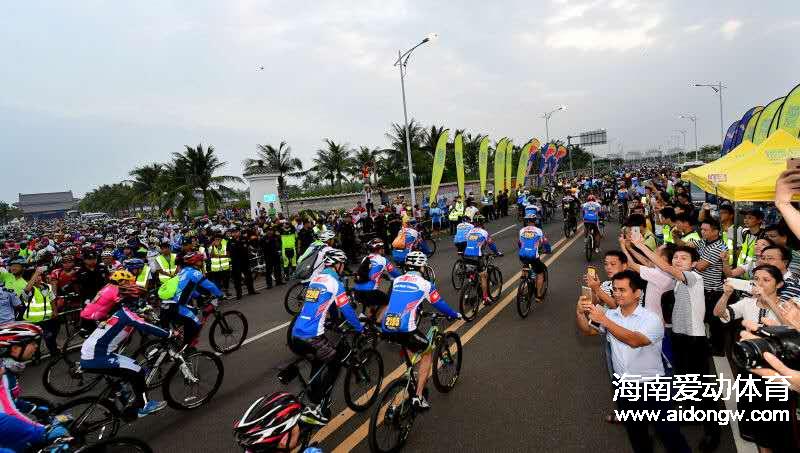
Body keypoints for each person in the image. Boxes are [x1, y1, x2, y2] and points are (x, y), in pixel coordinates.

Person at [576, 270, 689, 453]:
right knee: (636, 434)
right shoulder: (612, 316)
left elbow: (635, 341)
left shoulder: (651, 319)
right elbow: (588, 331)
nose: (617, 294)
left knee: (669, 434)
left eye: (622, 290)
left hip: (652, 387)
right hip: (624, 388)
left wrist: (604, 319)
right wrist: (580, 314)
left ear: (637, 293)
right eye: (614, 290)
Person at [630, 238, 721, 451]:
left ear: (693, 263)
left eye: (684, 258)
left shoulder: (694, 278)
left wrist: (640, 245)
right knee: (684, 381)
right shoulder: (679, 281)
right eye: (676, 258)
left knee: (704, 389)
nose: (678, 261)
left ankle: (713, 432)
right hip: (679, 337)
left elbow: (663, 266)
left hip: (695, 340)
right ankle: (690, 413)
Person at [714, 265, 795, 451]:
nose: (759, 283)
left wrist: (767, 299)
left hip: (776, 369)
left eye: (766, 280)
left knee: (776, 416)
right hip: (750, 366)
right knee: (751, 407)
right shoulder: (747, 303)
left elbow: (789, 326)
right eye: (756, 279)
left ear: (779, 284)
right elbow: (719, 314)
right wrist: (725, 295)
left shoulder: (786, 306)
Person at [80, 276, 173, 418]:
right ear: (134, 300)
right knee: (139, 371)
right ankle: (144, 406)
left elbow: (138, 321)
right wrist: (168, 333)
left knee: (132, 365)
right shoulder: (128, 315)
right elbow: (145, 327)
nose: (145, 303)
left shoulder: (122, 312)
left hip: (95, 352)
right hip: (96, 355)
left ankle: (116, 397)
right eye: (142, 300)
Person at [291, 249, 363, 425]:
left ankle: (314, 395)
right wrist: (359, 327)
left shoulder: (315, 279)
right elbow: (346, 310)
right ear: (337, 265)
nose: (343, 267)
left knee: (318, 361)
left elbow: (319, 304)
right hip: (312, 337)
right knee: (335, 364)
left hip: (296, 334)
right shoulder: (334, 283)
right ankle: (320, 409)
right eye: (342, 265)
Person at [382, 251, 460, 410]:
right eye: (424, 265)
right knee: (427, 353)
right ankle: (418, 396)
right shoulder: (425, 284)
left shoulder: (396, 280)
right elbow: (440, 304)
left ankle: (411, 374)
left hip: (387, 326)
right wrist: (454, 314)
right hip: (405, 328)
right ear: (420, 266)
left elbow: (397, 301)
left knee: (409, 345)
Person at [0, 323, 68, 452]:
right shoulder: (4, 374)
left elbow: (10, 401)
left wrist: (34, 409)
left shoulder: (9, 368)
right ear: (15, 348)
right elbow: (9, 412)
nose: (36, 346)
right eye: (32, 343)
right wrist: (43, 431)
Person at [161, 252, 225, 347]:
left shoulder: (183, 271)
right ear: (195, 262)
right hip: (176, 306)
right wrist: (220, 295)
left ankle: (183, 342)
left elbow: (187, 289)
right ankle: (186, 349)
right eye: (200, 261)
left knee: (193, 312)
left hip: (167, 304)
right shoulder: (194, 273)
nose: (202, 263)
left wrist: (199, 296)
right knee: (196, 324)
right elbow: (210, 286)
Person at [353, 239, 401, 322]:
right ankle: (378, 323)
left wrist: (382, 275)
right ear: (380, 249)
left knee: (373, 302)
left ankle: (367, 321)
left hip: (357, 290)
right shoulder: (383, 260)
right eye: (383, 248)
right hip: (370, 292)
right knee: (388, 302)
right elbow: (395, 273)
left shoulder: (365, 258)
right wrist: (403, 277)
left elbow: (368, 273)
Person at [462, 215, 502, 305]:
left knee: (472, 273)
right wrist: (496, 252)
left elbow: (468, 243)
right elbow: (491, 244)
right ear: (482, 223)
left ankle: (469, 288)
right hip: (477, 256)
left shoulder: (469, 231)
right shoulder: (484, 232)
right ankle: (485, 298)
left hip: (466, 255)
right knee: (483, 276)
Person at [518, 214, 547, 302]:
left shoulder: (522, 230)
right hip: (533, 256)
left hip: (522, 255)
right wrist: (543, 249)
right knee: (540, 273)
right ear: (535, 221)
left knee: (526, 266)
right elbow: (542, 242)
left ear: (527, 221)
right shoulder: (538, 230)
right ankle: (538, 295)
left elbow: (519, 243)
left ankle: (523, 284)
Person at [228, 227, 258, 300]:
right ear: (232, 234)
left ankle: (251, 291)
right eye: (234, 232)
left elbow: (250, 246)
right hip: (236, 263)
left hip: (245, 261)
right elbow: (228, 252)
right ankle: (239, 294)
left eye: (237, 231)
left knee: (249, 277)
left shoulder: (244, 239)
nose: (235, 233)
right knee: (237, 279)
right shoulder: (230, 242)